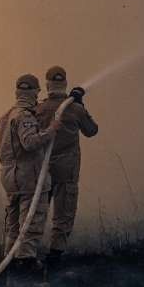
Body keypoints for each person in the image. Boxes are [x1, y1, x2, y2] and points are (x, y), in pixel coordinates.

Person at [0, 73, 62, 272]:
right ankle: (25, 265)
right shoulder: (25, 116)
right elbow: (30, 143)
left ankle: (8, 263)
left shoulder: (6, 116)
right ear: (34, 91)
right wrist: (51, 130)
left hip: (10, 177)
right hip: (29, 178)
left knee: (14, 223)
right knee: (31, 221)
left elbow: (0, 151)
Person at [36, 66, 98, 263]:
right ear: (65, 84)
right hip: (67, 170)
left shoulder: (38, 109)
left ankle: (27, 253)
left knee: (37, 211)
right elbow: (92, 130)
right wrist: (80, 104)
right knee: (64, 213)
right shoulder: (75, 109)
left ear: (47, 85)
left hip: (41, 171)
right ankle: (55, 256)